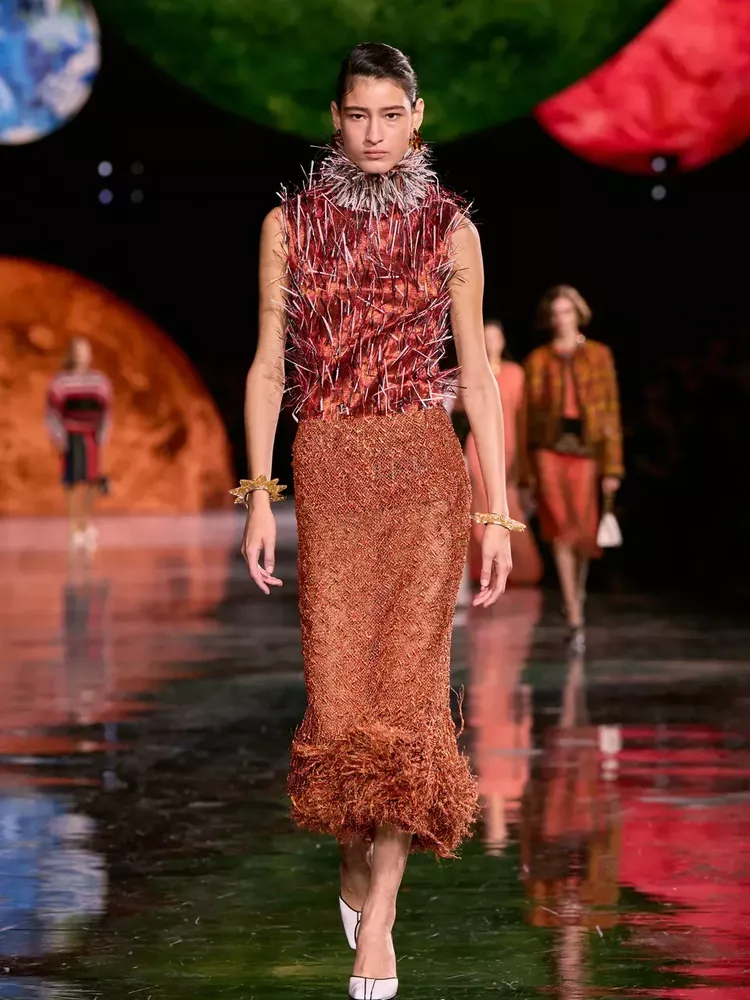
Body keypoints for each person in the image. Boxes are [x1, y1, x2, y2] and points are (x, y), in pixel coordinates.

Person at [236, 42, 523, 1000]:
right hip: (328, 470)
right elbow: (269, 365)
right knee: (341, 701)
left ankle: (383, 922)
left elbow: (477, 381)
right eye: (358, 115)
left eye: (391, 116)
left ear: (418, 118)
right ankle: (357, 861)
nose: (373, 134)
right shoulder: (289, 225)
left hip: (424, 473)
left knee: (407, 700)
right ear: (335, 118)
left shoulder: (451, 229)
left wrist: (495, 512)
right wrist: (258, 494)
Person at [519, 286, 623, 648]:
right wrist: (525, 472)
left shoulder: (599, 356)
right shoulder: (538, 360)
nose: (561, 319)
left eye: (567, 312)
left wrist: (613, 468)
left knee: (582, 530)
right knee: (560, 528)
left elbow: (610, 412)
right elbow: (527, 418)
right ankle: (574, 614)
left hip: (586, 451)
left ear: (578, 314)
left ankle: (575, 593)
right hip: (548, 450)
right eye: (556, 313)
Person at [462, 320, 543, 588]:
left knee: (507, 501)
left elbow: (523, 416)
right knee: (480, 501)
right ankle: (482, 569)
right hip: (478, 444)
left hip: (509, 443)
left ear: (503, 341)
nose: (490, 342)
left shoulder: (515, 373)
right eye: (485, 337)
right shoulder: (471, 372)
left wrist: (524, 459)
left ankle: (518, 568)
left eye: (495, 337)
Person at [46, 337, 112, 552]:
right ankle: (74, 528)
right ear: (71, 354)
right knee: (73, 482)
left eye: (86, 351)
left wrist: (103, 434)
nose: (82, 356)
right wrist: (58, 438)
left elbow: (106, 411)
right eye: (79, 351)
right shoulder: (60, 382)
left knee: (91, 481)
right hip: (71, 436)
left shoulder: (99, 381)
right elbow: (52, 413)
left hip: (92, 436)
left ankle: (86, 524)